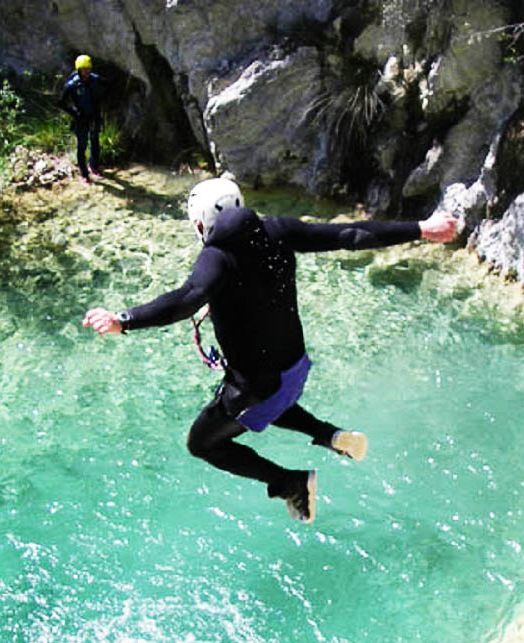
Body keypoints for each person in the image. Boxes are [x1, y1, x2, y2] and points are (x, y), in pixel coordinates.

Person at [82, 177, 458, 523]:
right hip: (295, 369)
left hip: (260, 387)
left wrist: (123, 320)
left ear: (200, 225)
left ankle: (291, 482)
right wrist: (421, 228)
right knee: (266, 406)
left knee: (202, 443)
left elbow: (187, 298)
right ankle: (328, 435)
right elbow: (349, 234)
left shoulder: (217, 258)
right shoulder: (277, 230)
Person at [58, 54, 104, 184]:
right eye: (84, 69)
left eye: (88, 68)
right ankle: (84, 173)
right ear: (79, 69)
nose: (87, 71)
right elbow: (61, 102)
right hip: (81, 119)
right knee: (82, 146)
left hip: (94, 116)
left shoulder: (95, 79)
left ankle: (94, 166)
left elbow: (106, 89)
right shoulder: (72, 85)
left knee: (95, 142)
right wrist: (75, 113)